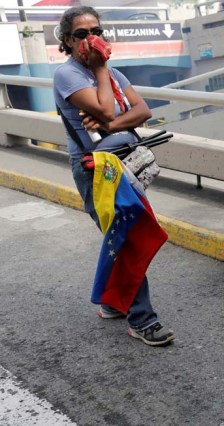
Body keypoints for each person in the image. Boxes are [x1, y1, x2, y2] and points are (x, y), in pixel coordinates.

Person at [53, 6, 174, 346]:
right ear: (67, 41)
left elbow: (143, 110)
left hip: (127, 164)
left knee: (122, 236)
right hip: (98, 171)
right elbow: (109, 107)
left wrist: (106, 124)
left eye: (97, 31)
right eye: (82, 34)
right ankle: (143, 320)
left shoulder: (113, 74)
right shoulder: (70, 75)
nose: (93, 38)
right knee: (128, 239)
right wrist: (101, 69)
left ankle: (110, 301)